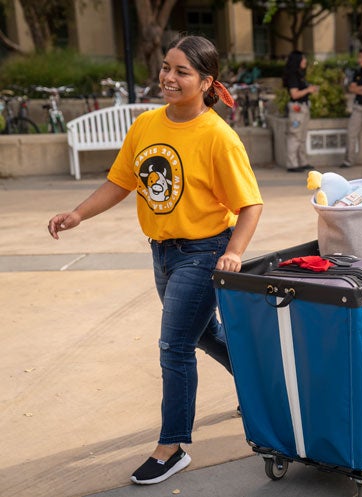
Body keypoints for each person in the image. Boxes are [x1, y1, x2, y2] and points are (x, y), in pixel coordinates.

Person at [47, 35, 263, 485]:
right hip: (162, 252)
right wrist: (78, 214)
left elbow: (250, 204)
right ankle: (259, 381)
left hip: (204, 253)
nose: (168, 77)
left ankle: (172, 447)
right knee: (203, 333)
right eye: (166, 67)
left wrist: (235, 253)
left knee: (175, 347)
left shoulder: (218, 137)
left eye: (182, 71)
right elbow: (121, 182)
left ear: (207, 82)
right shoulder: (146, 125)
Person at [282, 50, 319, 173]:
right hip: (297, 109)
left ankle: (302, 162)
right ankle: (292, 163)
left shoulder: (299, 74)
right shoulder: (293, 75)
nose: (305, 61)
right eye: (303, 59)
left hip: (303, 108)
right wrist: (308, 90)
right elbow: (294, 94)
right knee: (295, 136)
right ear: (297, 61)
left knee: (301, 137)